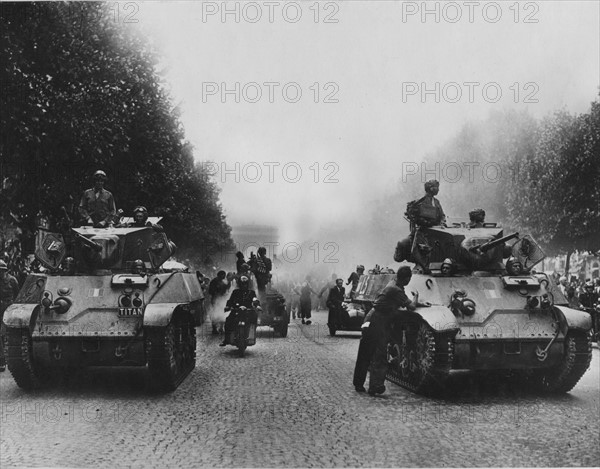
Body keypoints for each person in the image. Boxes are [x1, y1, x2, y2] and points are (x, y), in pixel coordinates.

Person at [353, 266, 431, 395]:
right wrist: (417, 297)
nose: (409, 280)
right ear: (406, 278)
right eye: (409, 278)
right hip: (377, 320)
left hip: (374, 317)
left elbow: (405, 302)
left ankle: (360, 384)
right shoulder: (395, 289)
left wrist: (421, 304)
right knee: (378, 353)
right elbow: (410, 306)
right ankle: (375, 386)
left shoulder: (394, 283)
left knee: (366, 352)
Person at [220, 275, 259, 346]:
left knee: (255, 317)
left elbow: (255, 300)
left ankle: (251, 335)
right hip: (236, 311)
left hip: (248, 312)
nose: (244, 286)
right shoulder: (235, 292)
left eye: (245, 284)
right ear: (239, 284)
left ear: (248, 284)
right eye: (242, 284)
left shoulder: (251, 292)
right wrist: (228, 306)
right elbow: (230, 300)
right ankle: (226, 339)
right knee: (228, 321)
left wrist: (257, 305)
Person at [0, 260, 20, 372]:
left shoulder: (12, 280)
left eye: (1, 271)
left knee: (8, 333)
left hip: (9, 308)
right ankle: (2, 360)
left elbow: (18, 295)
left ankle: (12, 357)